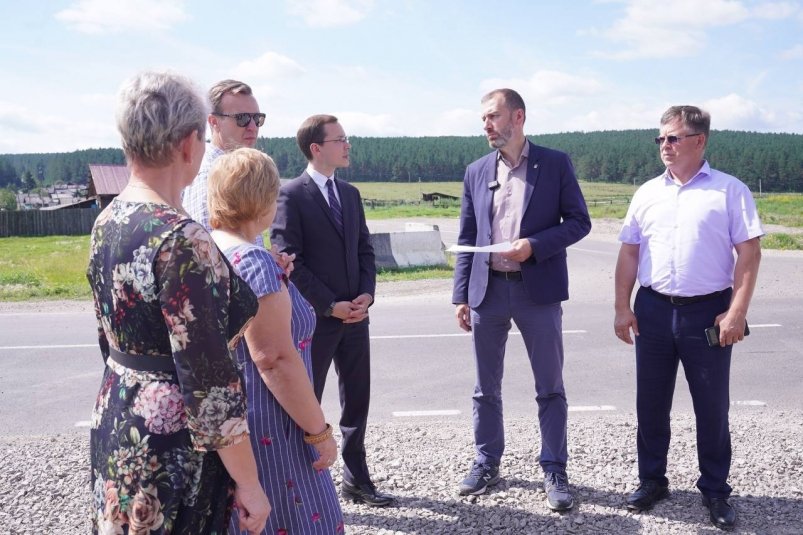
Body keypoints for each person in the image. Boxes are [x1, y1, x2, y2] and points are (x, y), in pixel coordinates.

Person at [87, 71, 269, 534]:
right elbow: (210, 383)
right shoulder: (182, 237)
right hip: (172, 443)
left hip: (117, 415)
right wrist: (249, 484)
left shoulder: (108, 219)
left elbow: (107, 337)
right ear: (190, 143)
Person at [614, 105, 762, 530]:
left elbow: (749, 254)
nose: (665, 145)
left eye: (673, 138)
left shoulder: (729, 191)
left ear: (699, 141)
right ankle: (652, 481)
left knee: (712, 407)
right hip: (654, 309)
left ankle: (715, 490)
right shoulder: (647, 193)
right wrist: (622, 307)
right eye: (660, 138)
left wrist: (736, 311)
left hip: (708, 313)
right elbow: (628, 252)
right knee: (651, 403)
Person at [452, 88, 591, 511]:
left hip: (538, 293)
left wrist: (534, 245)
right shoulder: (476, 171)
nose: (486, 125)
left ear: (518, 117)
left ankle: (553, 468)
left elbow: (579, 222)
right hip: (487, 291)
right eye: (483, 119)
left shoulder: (555, 163)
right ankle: (487, 461)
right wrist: (461, 295)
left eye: (493, 116)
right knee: (484, 388)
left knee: (549, 387)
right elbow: (467, 236)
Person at [207, 147, 345, 533]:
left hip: (230, 424)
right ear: (266, 200)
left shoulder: (208, 251)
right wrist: (319, 432)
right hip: (272, 425)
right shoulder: (254, 262)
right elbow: (274, 359)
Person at [270, 115, 395, 507]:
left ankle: (356, 480)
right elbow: (290, 260)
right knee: (308, 402)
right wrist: (329, 305)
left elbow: (365, 251)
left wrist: (366, 296)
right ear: (316, 148)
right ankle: (302, 484)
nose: (347, 145)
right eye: (340, 140)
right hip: (315, 322)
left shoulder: (352, 194)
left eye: (347, 139)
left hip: (357, 317)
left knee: (357, 400)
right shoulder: (290, 195)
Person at [182, 79, 265, 240]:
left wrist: (268, 258)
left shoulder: (236, 171)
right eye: (242, 118)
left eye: (257, 118)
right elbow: (209, 250)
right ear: (214, 122)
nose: (253, 127)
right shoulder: (209, 175)